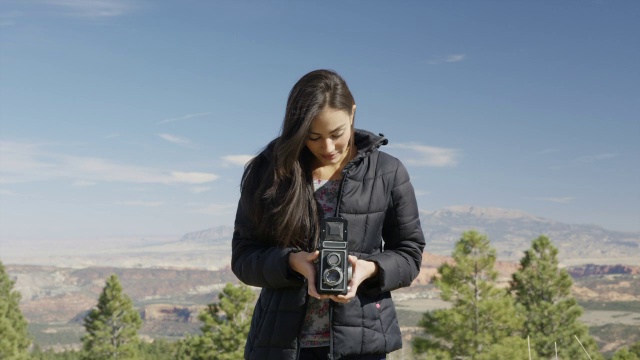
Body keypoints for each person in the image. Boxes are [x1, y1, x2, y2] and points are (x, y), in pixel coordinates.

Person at [231, 69, 425, 360]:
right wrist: (291, 262)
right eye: (313, 137)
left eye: (337, 134)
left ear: (353, 112)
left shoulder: (388, 172)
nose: (328, 147)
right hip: (280, 346)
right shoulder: (269, 172)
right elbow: (244, 257)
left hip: (360, 346)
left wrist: (368, 270)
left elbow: (410, 254)